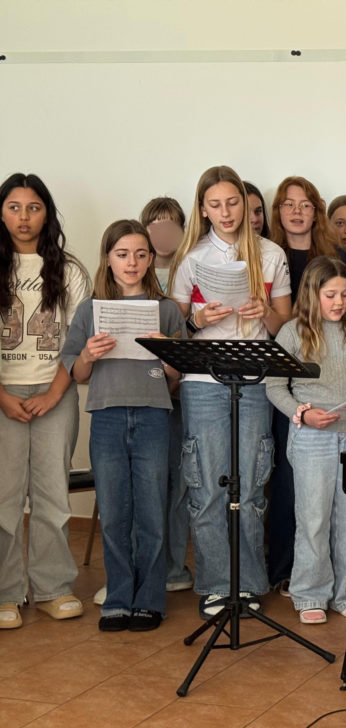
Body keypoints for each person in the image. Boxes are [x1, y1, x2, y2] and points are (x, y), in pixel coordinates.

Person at [169, 165, 292, 619]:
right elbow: (175, 330)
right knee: (207, 487)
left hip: (254, 382)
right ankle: (218, 585)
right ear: (203, 209)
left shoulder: (271, 254)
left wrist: (264, 312)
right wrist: (197, 320)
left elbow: (283, 324)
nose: (226, 212)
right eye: (215, 205)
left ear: (245, 202)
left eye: (233, 202)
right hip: (203, 383)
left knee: (251, 485)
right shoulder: (192, 257)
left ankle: (249, 583)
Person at [62, 220, 186, 632]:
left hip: (153, 415)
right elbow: (77, 373)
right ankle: (117, 598)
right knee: (114, 513)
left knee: (152, 510)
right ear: (108, 259)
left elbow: (178, 376)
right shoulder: (89, 310)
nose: (131, 262)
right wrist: (89, 355)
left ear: (150, 259)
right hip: (107, 416)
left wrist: (167, 354)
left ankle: (149, 599)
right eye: (122, 254)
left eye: (140, 254)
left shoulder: (167, 310)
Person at [0, 173, 91, 630]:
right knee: (3, 497)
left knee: (54, 494)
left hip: (55, 391)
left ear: (47, 214)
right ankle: (5, 593)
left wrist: (55, 393)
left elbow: (78, 341)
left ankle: (54, 588)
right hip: (3, 395)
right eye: (14, 207)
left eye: (33, 208)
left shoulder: (69, 270)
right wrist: (2, 396)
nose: (24, 217)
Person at [266, 257, 346, 624]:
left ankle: (344, 592)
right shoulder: (292, 332)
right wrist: (303, 414)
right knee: (313, 518)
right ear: (312, 294)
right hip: (312, 437)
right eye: (331, 295)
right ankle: (310, 593)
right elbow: (274, 387)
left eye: (345, 294)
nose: (339, 302)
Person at [139, 196, 193, 597]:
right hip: (140, 393)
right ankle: (144, 566)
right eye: (154, 224)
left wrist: (174, 381)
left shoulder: (190, 268)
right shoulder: (133, 269)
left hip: (179, 393)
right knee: (146, 484)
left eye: (170, 224)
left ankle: (175, 566)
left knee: (178, 484)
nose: (162, 232)